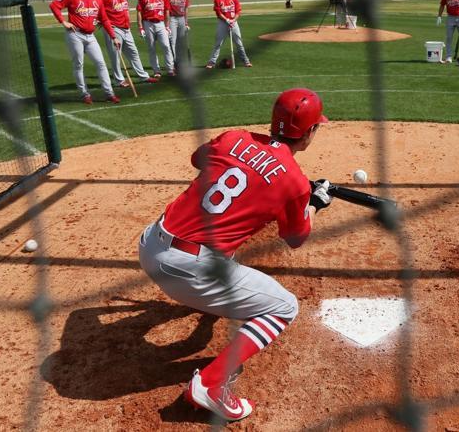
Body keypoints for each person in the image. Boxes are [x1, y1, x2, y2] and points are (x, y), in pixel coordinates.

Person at [138, 88, 331, 421]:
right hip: (188, 271)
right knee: (284, 307)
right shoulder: (295, 183)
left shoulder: (234, 138)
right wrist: (313, 202)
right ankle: (211, 385)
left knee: (223, 254)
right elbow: (296, 237)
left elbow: (199, 160)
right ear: (311, 132)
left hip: (150, 244)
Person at [49, 0, 121, 105]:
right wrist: (63, 21)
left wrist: (114, 37)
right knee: (78, 64)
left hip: (90, 36)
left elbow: (104, 19)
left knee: (101, 63)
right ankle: (85, 94)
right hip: (75, 34)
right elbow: (54, 5)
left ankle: (109, 93)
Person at [100, 0, 159, 88]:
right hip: (113, 28)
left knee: (134, 53)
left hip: (126, 28)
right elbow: (98, 10)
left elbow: (125, 10)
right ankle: (119, 80)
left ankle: (143, 76)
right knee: (116, 56)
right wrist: (102, 22)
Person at [206, 0, 252, 69]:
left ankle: (246, 61)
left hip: (234, 23)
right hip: (222, 23)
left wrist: (233, 20)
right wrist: (227, 20)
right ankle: (211, 62)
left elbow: (238, 12)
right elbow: (219, 13)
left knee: (239, 43)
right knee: (218, 44)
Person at [137, 0, 175, 77]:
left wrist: (167, 26)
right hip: (148, 23)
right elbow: (139, 12)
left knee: (166, 46)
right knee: (151, 48)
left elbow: (167, 11)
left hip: (161, 23)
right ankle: (156, 70)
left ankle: (170, 69)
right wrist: (140, 27)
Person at [164, 0, 191, 70]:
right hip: (172, 18)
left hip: (181, 18)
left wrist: (186, 22)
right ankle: (175, 62)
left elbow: (186, 8)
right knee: (173, 41)